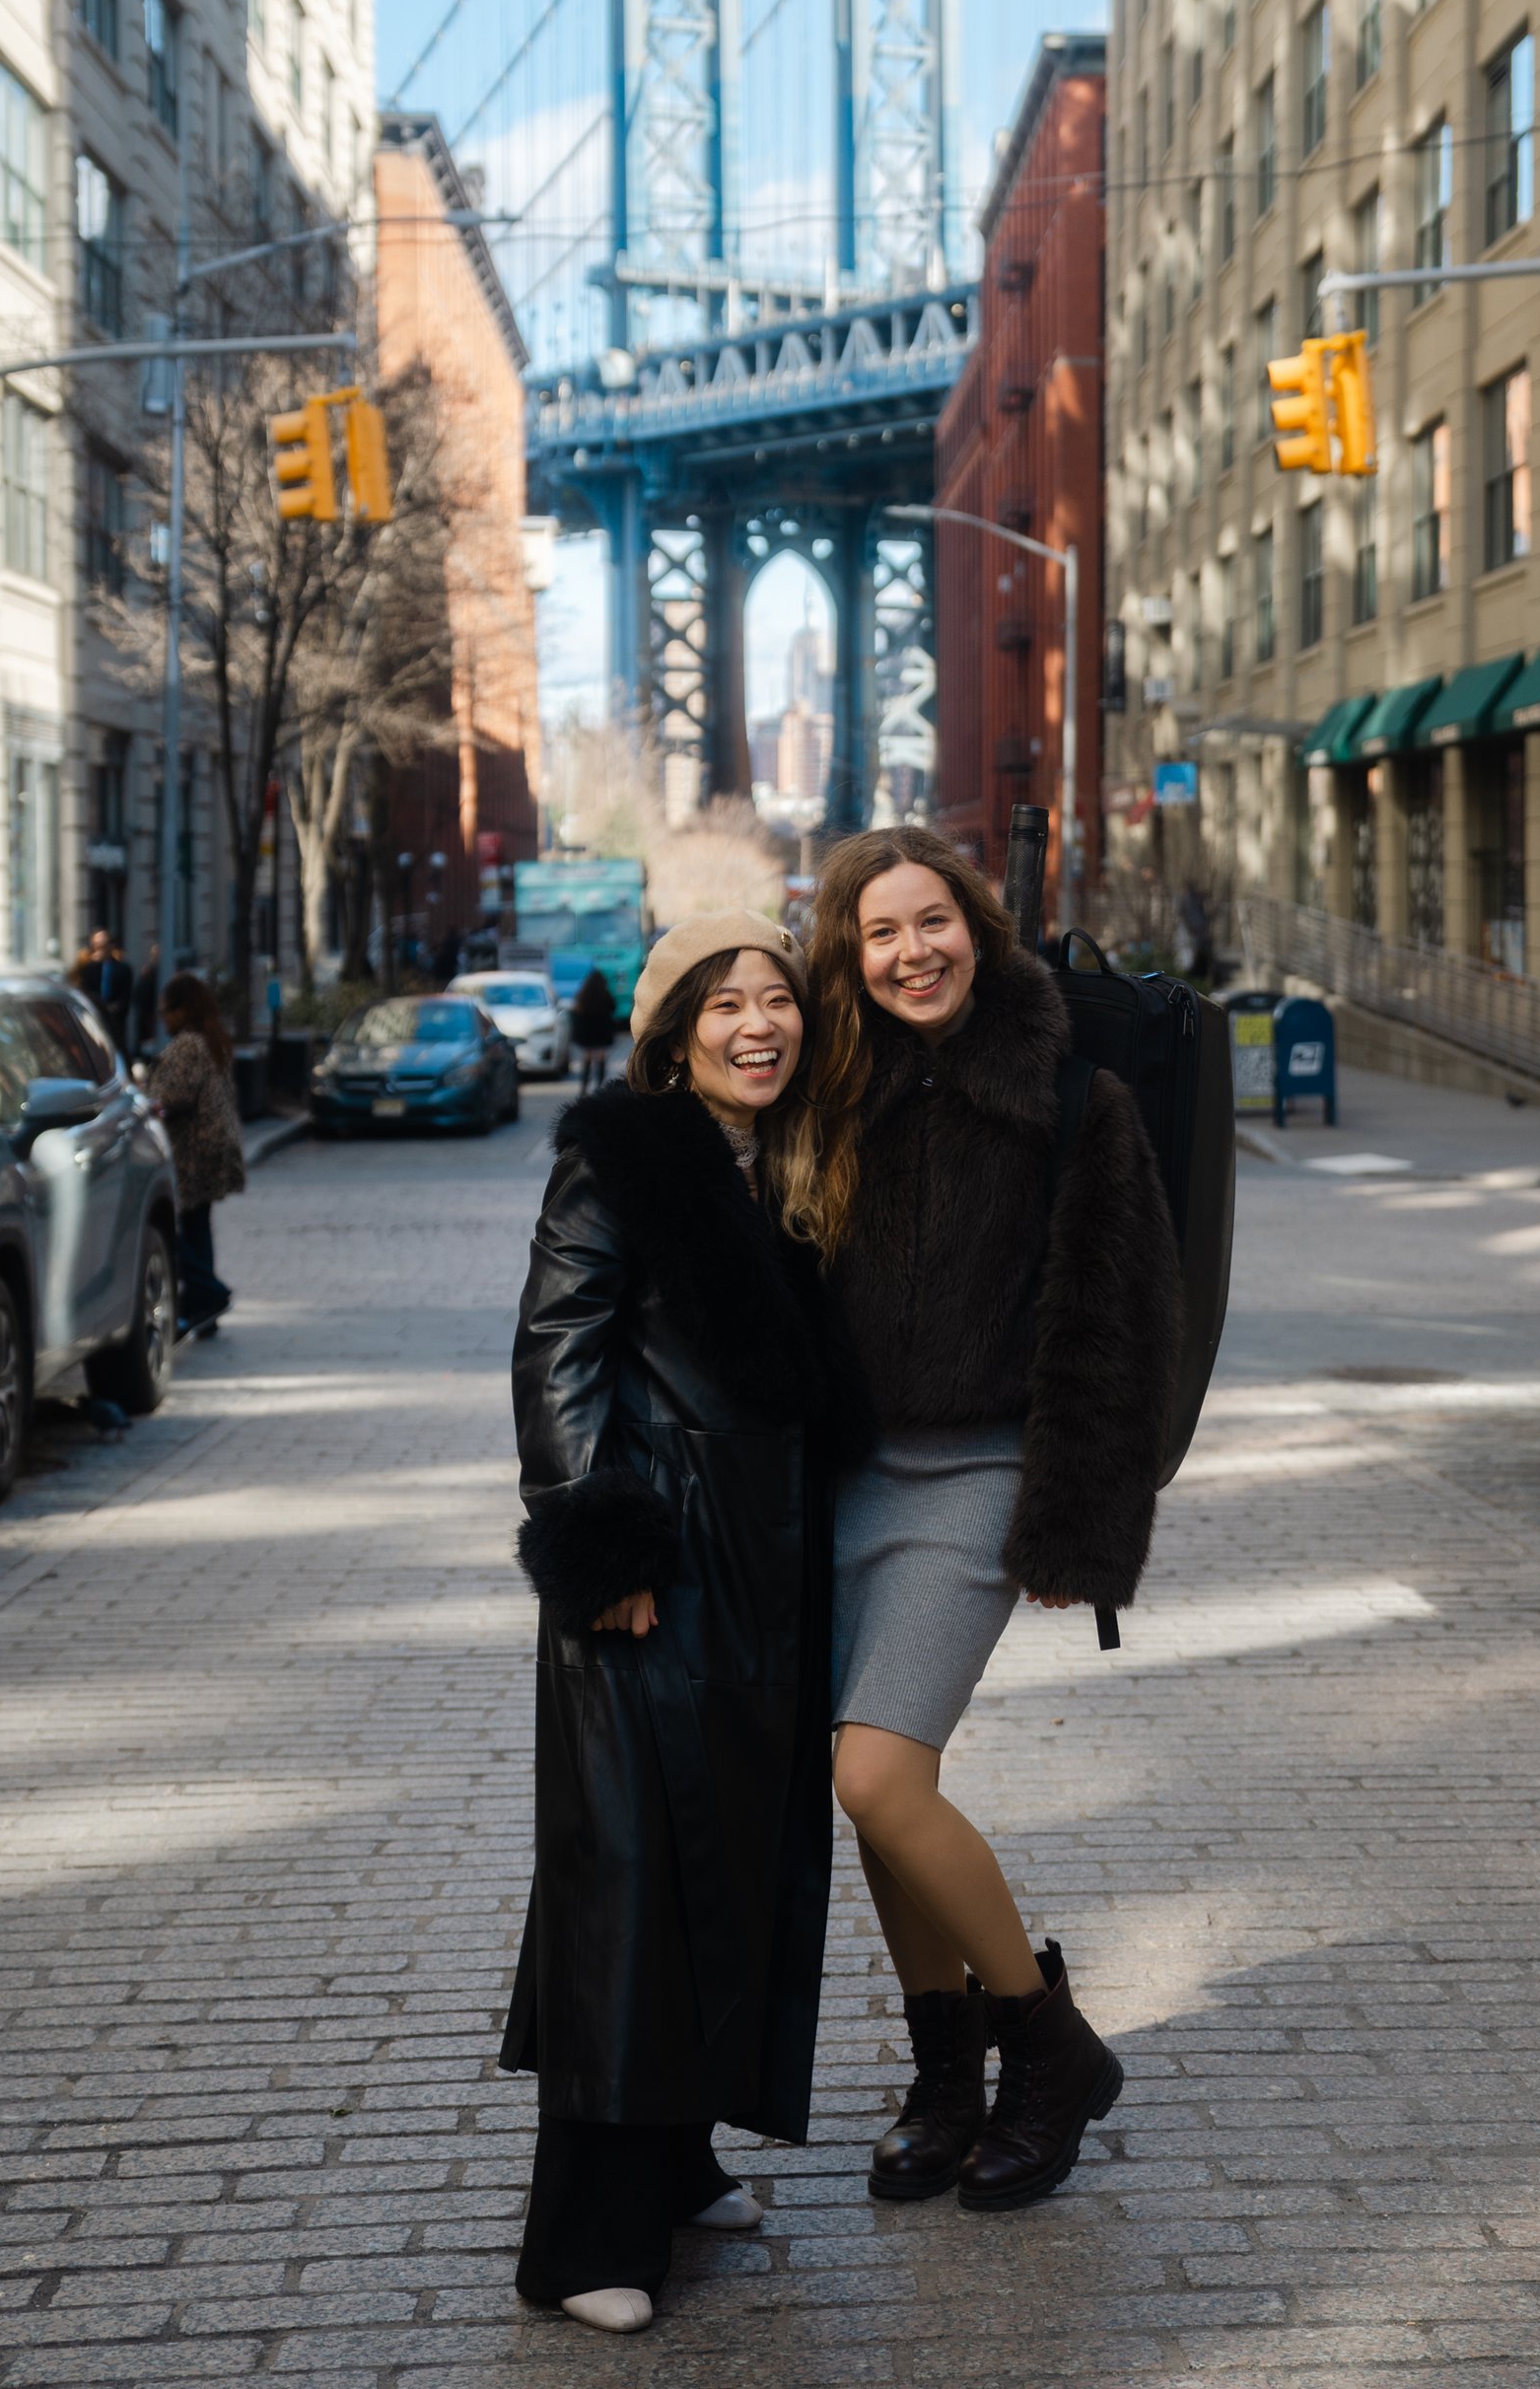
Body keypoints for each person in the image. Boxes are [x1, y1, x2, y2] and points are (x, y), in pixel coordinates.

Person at [791, 824, 1182, 2214]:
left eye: (933, 921)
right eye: (881, 933)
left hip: (978, 1474)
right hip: (842, 1478)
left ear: (978, 924)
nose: (913, 953)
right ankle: (946, 2079)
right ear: (849, 955)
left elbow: (1120, 1319)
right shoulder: (829, 1087)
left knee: (875, 1778)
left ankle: (1049, 2049)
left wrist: (1079, 1521)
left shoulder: (1069, 1092)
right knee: (877, 1787)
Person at [500, 910, 858, 2336]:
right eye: (725, 1004)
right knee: (631, 1879)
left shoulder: (789, 1158)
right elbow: (555, 1350)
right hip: (652, 1565)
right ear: (672, 1032)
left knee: (730, 1861)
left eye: (778, 999)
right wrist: (603, 1543)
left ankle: (682, 2153)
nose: (757, 1025)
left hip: (761, 1574)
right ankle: (583, 2237)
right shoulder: (621, 1157)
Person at [149, 973, 245, 1335]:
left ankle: (211, 1292)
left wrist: (148, 1102)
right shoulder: (212, 1039)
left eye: (165, 1011)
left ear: (182, 1010)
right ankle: (203, 1309)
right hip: (213, 1146)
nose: (162, 1018)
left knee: (176, 1232)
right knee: (196, 1225)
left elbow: (172, 1096)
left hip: (193, 1149)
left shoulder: (187, 1045)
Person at [74, 929, 133, 1059]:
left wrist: (112, 1009)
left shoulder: (123, 969)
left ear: (111, 946)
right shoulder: (89, 969)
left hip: (115, 1022)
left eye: (103, 946)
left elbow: (125, 997)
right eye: (96, 947)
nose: (100, 951)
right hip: (94, 1019)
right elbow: (84, 992)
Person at [568, 965, 616, 1093]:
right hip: (601, 1032)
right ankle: (599, 1086)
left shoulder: (583, 996)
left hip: (587, 1033)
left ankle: (584, 1086)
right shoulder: (605, 995)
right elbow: (613, 1007)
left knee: (587, 1058)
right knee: (601, 1058)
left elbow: (576, 1013)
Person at [132, 943, 161, 1060]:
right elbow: (138, 995)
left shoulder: (159, 973)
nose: (154, 958)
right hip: (147, 1019)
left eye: (157, 955)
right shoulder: (147, 973)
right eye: (153, 955)